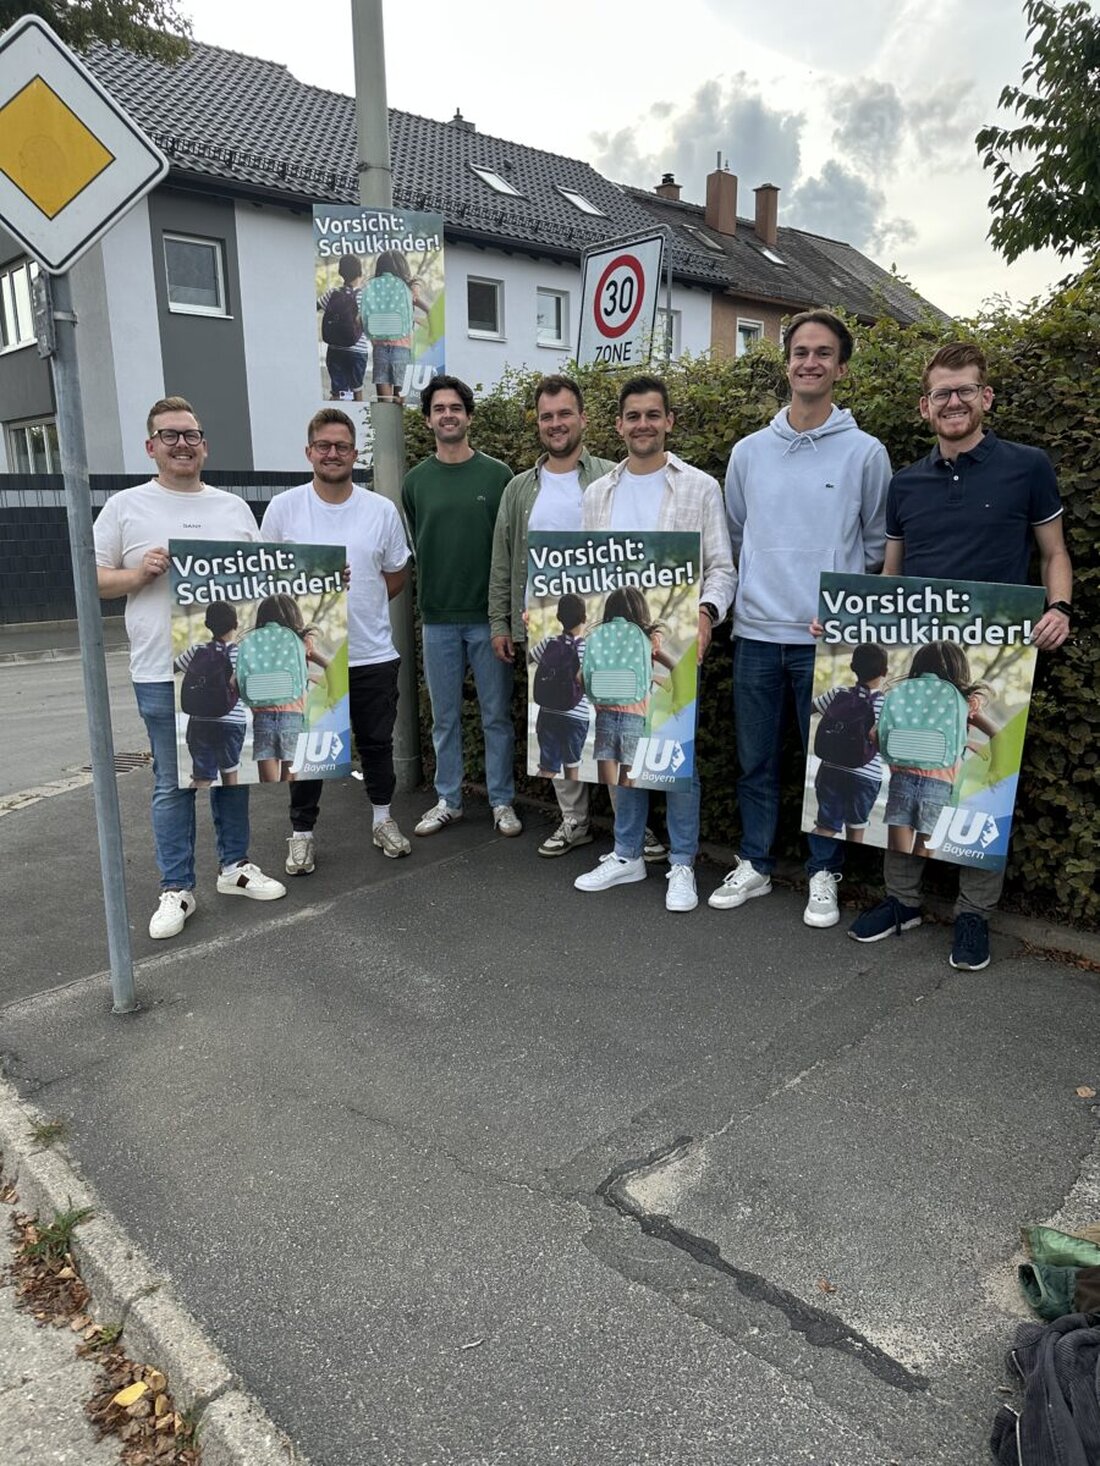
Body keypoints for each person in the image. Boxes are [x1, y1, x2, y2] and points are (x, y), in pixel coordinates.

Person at [850, 342, 1072, 970]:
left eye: (965, 390)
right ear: (925, 406)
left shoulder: (1027, 467)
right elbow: (890, 579)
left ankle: (974, 914)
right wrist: (850, 621)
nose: (953, 402)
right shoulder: (905, 483)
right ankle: (903, 899)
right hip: (921, 655)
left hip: (991, 654)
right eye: (942, 393)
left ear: (986, 398)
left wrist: (1059, 608)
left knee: (981, 784)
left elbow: (1054, 552)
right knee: (906, 768)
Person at [712, 309, 890, 927]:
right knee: (755, 762)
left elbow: (875, 544)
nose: (809, 362)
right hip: (758, 634)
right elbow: (736, 534)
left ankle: (823, 873)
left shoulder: (866, 453)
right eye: (800, 352)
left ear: (840, 368)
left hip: (828, 642)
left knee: (831, 766)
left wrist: (841, 609)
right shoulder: (748, 453)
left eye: (822, 353)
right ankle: (756, 864)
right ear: (786, 363)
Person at [94, 396, 286, 940]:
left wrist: (320, 582)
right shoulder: (125, 507)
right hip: (159, 672)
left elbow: (266, 582)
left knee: (233, 771)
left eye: (191, 435)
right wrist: (137, 576)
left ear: (205, 444)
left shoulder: (233, 509)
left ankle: (235, 868)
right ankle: (176, 888)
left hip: (232, 676)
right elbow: (92, 578)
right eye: (170, 435)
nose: (183, 444)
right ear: (150, 445)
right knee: (172, 780)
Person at [574, 375, 735, 913]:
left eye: (652, 415)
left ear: (668, 421)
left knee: (674, 757)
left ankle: (683, 863)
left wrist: (709, 612)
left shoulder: (699, 487)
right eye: (633, 416)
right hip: (614, 650)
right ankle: (627, 854)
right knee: (621, 751)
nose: (642, 424)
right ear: (619, 425)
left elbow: (721, 568)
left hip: (674, 645)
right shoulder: (597, 494)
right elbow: (586, 576)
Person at [489, 374, 634, 857]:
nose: (556, 424)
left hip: (606, 624)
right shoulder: (517, 489)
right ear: (538, 422)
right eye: (547, 416)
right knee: (555, 720)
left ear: (583, 419)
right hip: (542, 626)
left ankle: (629, 830)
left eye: (564, 414)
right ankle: (574, 821)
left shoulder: (614, 476)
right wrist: (501, 623)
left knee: (612, 722)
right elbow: (503, 561)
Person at [261, 407, 411, 872]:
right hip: (308, 654)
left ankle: (383, 820)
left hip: (370, 651)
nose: (332, 453)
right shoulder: (283, 509)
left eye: (341, 446)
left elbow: (397, 572)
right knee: (307, 748)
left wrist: (357, 605)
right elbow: (267, 577)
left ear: (355, 453)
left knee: (376, 743)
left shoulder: (380, 510)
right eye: (323, 446)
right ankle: (301, 834)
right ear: (309, 452)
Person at [401, 376, 521, 837]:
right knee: (444, 718)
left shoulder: (499, 476)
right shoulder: (415, 482)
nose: (447, 414)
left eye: (456, 407)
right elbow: (418, 542)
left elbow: (510, 549)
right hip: (437, 621)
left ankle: (502, 801)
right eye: (439, 408)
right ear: (429, 418)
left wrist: (505, 618)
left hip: (490, 622)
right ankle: (448, 799)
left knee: (495, 716)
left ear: (469, 416)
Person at [586, 586, 675, 787]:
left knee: (607, 785)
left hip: (605, 717)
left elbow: (581, 677)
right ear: (641, 611)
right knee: (628, 783)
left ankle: (614, 815)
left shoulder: (601, 639)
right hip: (636, 718)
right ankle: (625, 817)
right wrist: (654, 678)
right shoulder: (647, 640)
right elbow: (675, 663)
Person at [238, 593, 329, 784]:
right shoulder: (301, 642)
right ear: (294, 615)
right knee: (291, 781)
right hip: (293, 718)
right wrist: (310, 677)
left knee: (268, 784)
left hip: (262, 719)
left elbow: (234, 682)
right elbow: (332, 667)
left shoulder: (254, 643)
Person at [809, 642, 888, 843]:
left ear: (853, 667)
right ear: (885, 671)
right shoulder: (885, 704)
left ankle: (815, 863)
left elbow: (807, 709)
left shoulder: (838, 694)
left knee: (826, 827)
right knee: (856, 831)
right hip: (865, 776)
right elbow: (885, 742)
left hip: (830, 770)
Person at [174, 601, 246, 790]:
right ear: (236, 624)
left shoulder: (196, 650)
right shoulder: (241, 654)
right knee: (230, 778)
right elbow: (245, 688)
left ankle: (186, 810)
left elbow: (170, 669)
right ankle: (230, 815)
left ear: (207, 625)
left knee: (202, 778)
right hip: (231, 721)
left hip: (199, 723)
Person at [528, 592, 590, 781]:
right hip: (576, 717)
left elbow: (528, 660)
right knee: (572, 770)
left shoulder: (548, 643)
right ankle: (572, 809)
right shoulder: (588, 648)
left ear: (559, 618)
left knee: (548, 768)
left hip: (548, 714)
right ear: (585, 618)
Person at [362, 251, 428, 405]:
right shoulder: (407, 289)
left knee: (384, 402)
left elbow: (364, 318)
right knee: (401, 400)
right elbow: (428, 308)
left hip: (379, 348)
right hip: (402, 348)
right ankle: (399, 428)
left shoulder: (373, 289)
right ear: (402, 268)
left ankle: (385, 427)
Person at [319, 255, 369, 403]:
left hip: (335, 349)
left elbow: (314, 307)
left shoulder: (332, 293)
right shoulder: (364, 297)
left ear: (340, 272)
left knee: (338, 392)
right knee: (357, 390)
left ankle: (335, 414)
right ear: (360, 273)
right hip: (357, 351)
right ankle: (358, 420)